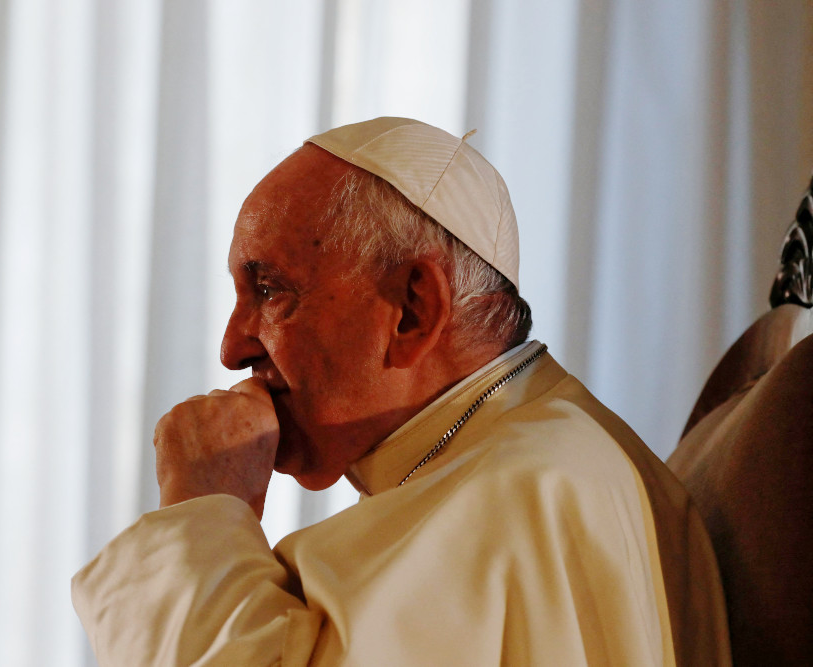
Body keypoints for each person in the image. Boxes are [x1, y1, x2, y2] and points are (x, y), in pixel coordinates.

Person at [72, 117, 731, 665]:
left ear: (413, 309)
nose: (233, 346)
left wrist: (201, 513)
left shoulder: (518, 492)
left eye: (270, 290)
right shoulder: (530, 455)